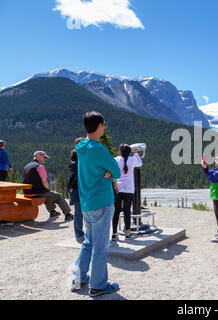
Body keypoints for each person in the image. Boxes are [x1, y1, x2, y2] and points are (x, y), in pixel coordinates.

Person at [71, 111, 121, 297]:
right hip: (101, 200)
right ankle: (98, 286)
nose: (105, 127)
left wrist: (105, 169)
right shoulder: (98, 148)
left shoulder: (81, 146)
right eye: (104, 124)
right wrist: (108, 170)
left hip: (86, 202)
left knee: (88, 242)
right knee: (100, 246)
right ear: (99, 125)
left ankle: (79, 276)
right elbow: (116, 171)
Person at [23, 151, 73, 221]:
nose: (45, 159)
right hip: (36, 192)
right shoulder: (40, 166)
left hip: (27, 193)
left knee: (48, 195)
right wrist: (48, 190)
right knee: (58, 196)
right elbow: (44, 181)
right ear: (38, 156)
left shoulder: (27, 166)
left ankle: (52, 212)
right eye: (44, 157)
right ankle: (68, 214)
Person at [111, 144, 142, 241]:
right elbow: (140, 163)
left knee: (116, 211)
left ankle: (114, 234)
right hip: (128, 189)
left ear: (120, 151)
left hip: (118, 188)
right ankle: (128, 233)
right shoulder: (132, 160)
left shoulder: (116, 159)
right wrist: (136, 153)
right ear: (129, 152)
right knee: (127, 211)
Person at [69, 137, 85, 243]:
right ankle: (79, 234)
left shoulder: (74, 156)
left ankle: (80, 234)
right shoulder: (77, 157)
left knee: (80, 212)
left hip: (77, 187)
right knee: (79, 212)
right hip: (79, 187)